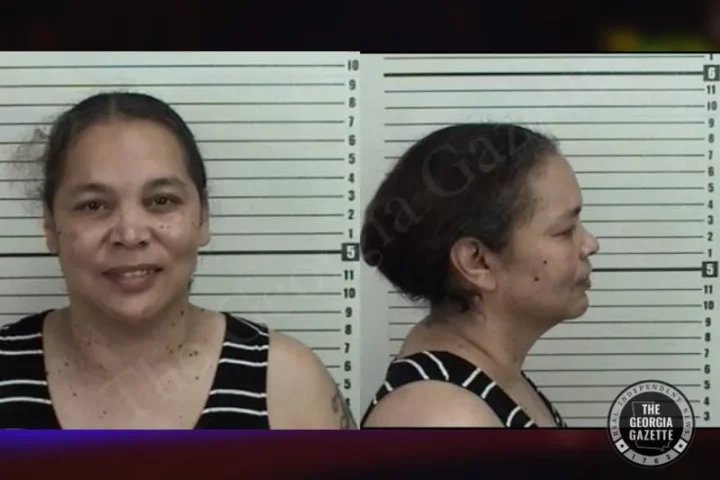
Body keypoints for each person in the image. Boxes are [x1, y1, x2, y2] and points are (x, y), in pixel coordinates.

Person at [0, 91, 356, 430]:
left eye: (161, 201)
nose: (130, 234)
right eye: (94, 205)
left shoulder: (289, 384)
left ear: (203, 217)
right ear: (50, 224)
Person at [360, 123, 599, 428]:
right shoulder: (443, 419)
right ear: (477, 262)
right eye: (565, 231)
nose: (590, 244)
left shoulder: (488, 378)